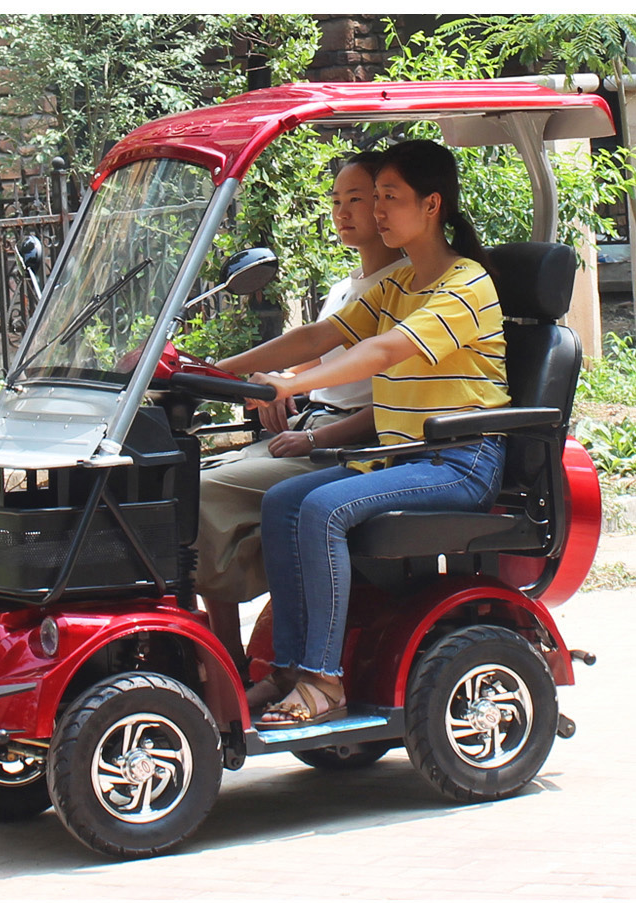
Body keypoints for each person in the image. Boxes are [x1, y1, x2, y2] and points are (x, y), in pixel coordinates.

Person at [219, 139, 511, 727]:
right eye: (373, 197)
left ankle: (323, 682)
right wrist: (213, 371)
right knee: (282, 502)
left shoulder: (465, 284)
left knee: (322, 508)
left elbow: (382, 350)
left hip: (457, 461)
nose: (377, 210)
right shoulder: (396, 285)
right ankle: (287, 669)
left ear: (431, 206)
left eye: (389, 197)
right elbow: (317, 337)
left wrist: (289, 387)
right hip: (405, 458)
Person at [194, 151, 406, 679]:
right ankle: (223, 652)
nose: (345, 212)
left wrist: (314, 434)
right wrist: (245, 382)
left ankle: (231, 665)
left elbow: (394, 402)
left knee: (200, 496)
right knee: (184, 479)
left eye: (358, 199)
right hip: (312, 427)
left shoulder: (408, 287)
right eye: (336, 201)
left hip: (353, 445)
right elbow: (312, 353)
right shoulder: (346, 288)